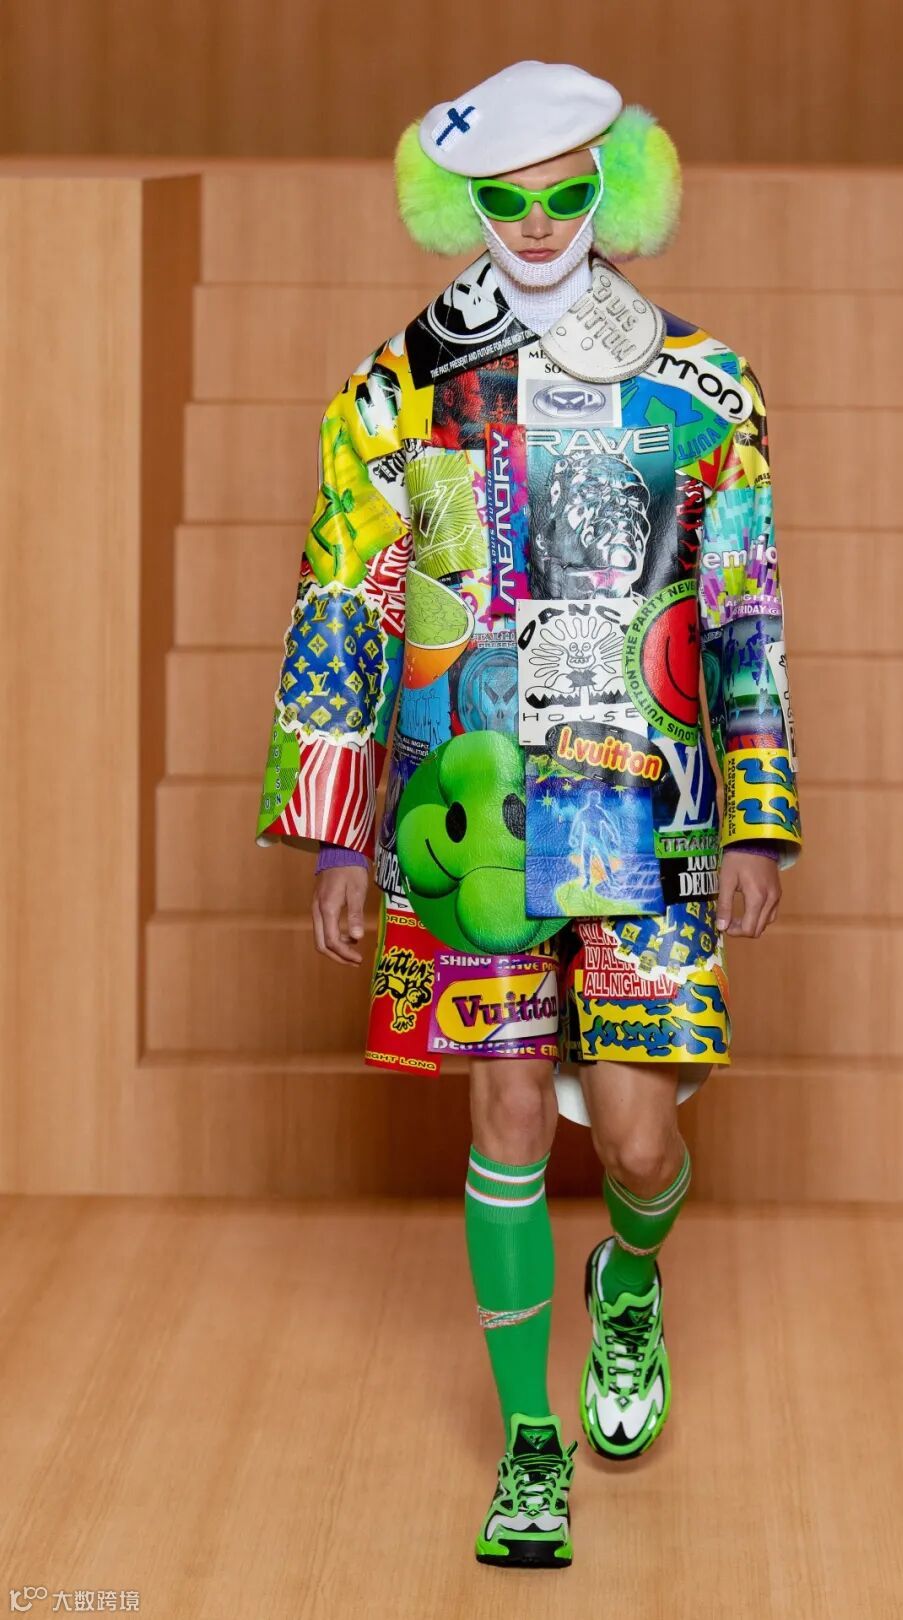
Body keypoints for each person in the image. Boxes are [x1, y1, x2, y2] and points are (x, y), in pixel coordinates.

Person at [255, 58, 803, 1569]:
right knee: (501, 1117)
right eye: (510, 196)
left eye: (570, 191)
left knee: (637, 1145)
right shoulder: (394, 392)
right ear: (463, 202)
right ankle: (528, 1446)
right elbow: (345, 601)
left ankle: (630, 1283)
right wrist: (336, 825)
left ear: (619, 186)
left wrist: (759, 813)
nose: (543, 221)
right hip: (468, 812)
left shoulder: (705, 388)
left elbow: (743, 607)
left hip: (646, 810)